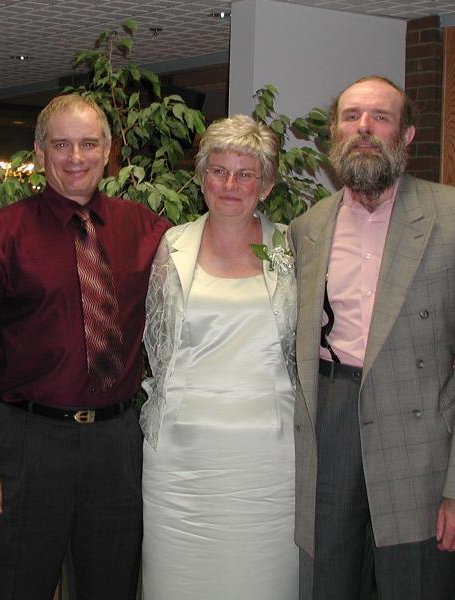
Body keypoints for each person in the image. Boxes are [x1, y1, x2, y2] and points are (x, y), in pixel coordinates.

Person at [0, 93, 169, 600]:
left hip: (115, 445)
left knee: (110, 588)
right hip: (26, 443)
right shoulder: (1, 235)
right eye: (61, 145)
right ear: (40, 153)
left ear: (109, 150)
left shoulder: (149, 231)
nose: (76, 157)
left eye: (89, 143)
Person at [288, 76, 455, 599]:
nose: (363, 128)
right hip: (330, 427)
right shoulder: (306, 228)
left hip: (420, 444)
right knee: (328, 587)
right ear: (333, 135)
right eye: (351, 116)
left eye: (379, 118)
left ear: (406, 135)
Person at [140, 115, 298, 599]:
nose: (231, 184)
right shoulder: (172, 245)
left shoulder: (290, 249)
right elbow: (157, 348)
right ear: (202, 176)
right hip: (180, 459)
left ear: (266, 185)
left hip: (269, 458)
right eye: (219, 171)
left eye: (245, 173)